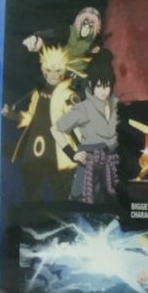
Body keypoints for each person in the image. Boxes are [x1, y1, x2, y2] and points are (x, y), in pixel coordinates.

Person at [2, 45, 77, 202]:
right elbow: (30, 118)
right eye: (49, 70)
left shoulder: (68, 95)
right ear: (44, 71)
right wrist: (11, 115)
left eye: (57, 70)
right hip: (34, 152)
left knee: (62, 195)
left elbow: (77, 123)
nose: (53, 75)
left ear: (63, 72)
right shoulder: (37, 94)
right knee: (30, 192)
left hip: (57, 152)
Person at [51, 50, 119, 204]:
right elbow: (55, 129)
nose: (103, 91)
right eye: (99, 86)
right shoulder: (83, 109)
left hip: (110, 165)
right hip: (89, 162)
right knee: (80, 203)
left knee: (109, 205)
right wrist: (72, 154)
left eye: (107, 86)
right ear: (91, 85)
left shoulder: (115, 106)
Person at [22, 6, 103, 79]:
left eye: (91, 25)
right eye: (84, 23)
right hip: (60, 69)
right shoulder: (67, 31)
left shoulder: (92, 38)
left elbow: (90, 50)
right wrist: (36, 37)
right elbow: (50, 33)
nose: (86, 27)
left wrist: (94, 49)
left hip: (80, 71)